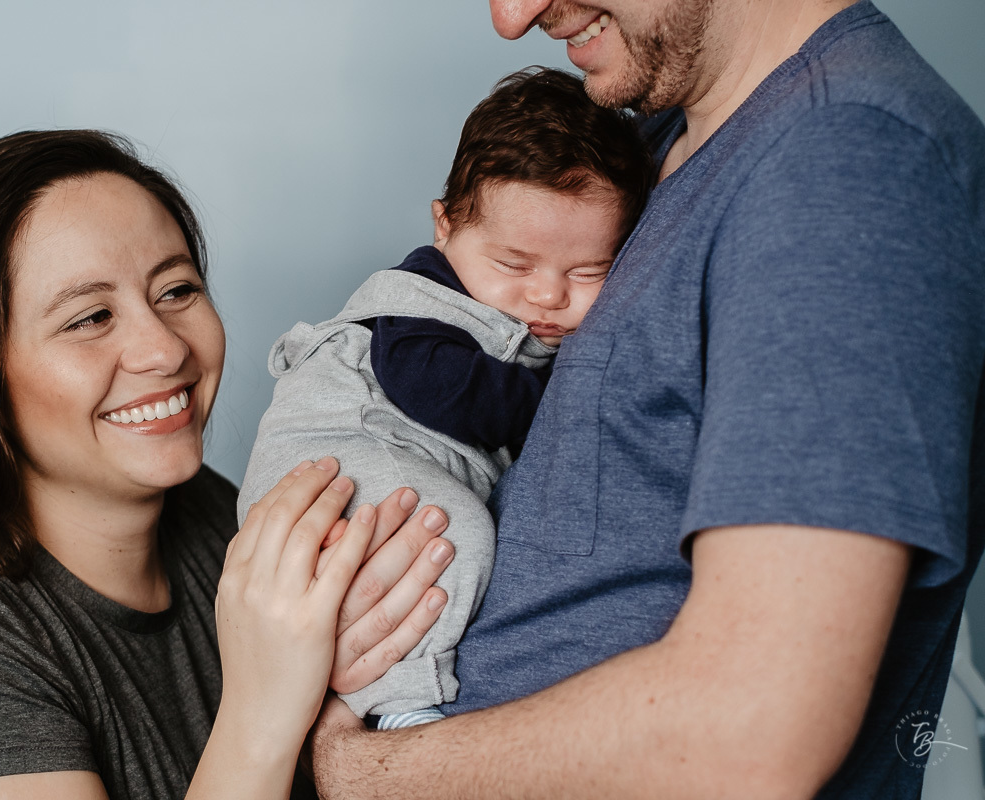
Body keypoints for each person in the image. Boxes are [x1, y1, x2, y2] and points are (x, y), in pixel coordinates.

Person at [307, 1, 985, 797]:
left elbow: (751, 731)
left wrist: (363, 773)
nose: (512, 14)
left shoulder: (848, 166)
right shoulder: (652, 144)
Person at [0, 130, 456, 800]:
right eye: (90, 317)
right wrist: (267, 714)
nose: (162, 348)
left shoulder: (212, 513)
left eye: (176, 290)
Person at [237, 66, 654, 730]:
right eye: (514, 266)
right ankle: (404, 705)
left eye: (587, 272)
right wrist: (560, 398)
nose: (547, 296)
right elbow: (437, 388)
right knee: (450, 536)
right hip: (336, 452)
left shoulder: (529, 306)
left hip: (384, 463)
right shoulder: (417, 304)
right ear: (444, 228)